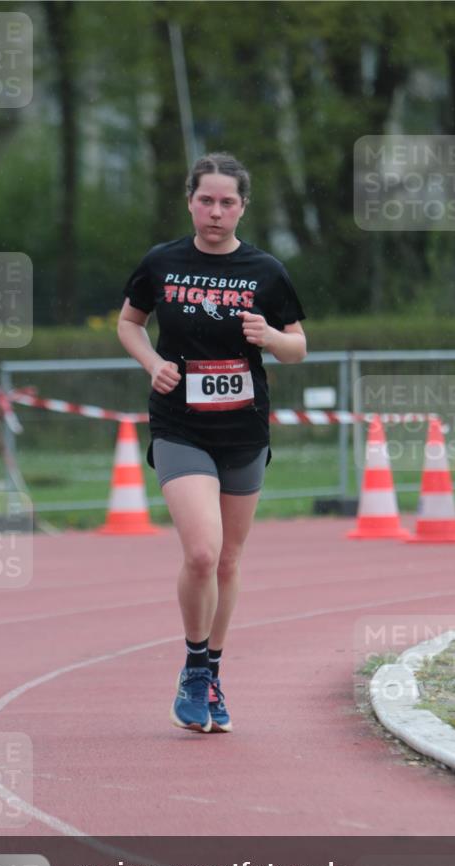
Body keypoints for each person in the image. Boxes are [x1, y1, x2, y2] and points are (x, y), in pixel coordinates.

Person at [118, 152, 306, 732]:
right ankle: (195, 667)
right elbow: (129, 323)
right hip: (180, 425)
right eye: (206, 200)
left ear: (243, 206)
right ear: (190, 201)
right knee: (201, 550)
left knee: (227, 558)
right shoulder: (163, 262)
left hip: (243, 429)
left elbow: (298, 346)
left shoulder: (266, 271)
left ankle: (213, 671)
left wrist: (272, 336)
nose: (216, 212)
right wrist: (152, 363)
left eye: (227, 202)